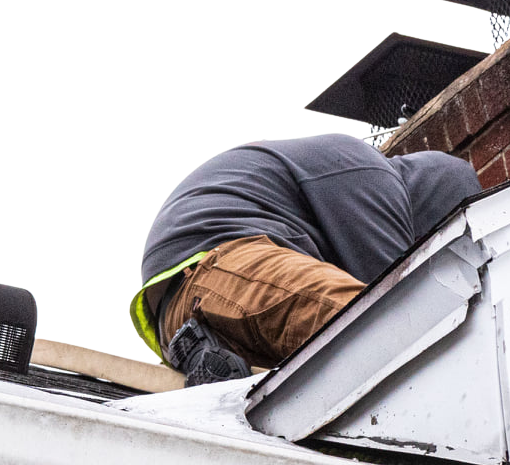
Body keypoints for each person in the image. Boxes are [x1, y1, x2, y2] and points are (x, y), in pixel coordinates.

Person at [130, 133, 478, 385]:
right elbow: (391, 302)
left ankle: (209, 349)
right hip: (222, 260)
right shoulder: (371, 174)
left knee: (307, 379)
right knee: (386, 326)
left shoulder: (351, 186)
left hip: (195, 312)